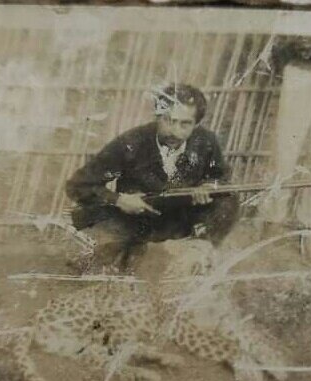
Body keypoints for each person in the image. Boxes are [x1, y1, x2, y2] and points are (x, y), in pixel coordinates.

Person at [66, 84, 239, 270]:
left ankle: (197, 251)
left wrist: (208, 186)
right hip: (136, 220)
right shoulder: (131, 142)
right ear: (157, 116)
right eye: (168, 120)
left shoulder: (205, 141)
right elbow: (78, 185)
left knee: (228, 198)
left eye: (185, 123)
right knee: (92, 258)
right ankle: (134, 254)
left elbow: (220, 176)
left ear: (196, 124)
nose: (175, 130)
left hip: (182, 221)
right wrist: (119, 200)